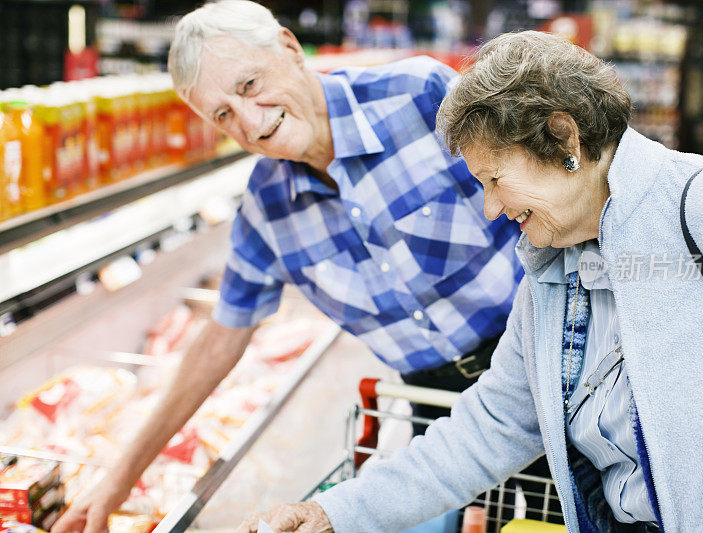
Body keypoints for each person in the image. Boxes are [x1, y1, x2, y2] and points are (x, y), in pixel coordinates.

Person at [250, 30, 703, 533]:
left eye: (494, 179)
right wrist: (333, 513)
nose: (489, 208)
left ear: (564, 139)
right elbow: (491, 425)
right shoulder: (553, 275)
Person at [51, 2, 527, 532]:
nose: (251, 123)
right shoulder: (266, 207)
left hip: (539, 361)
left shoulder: (421, 96)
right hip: (432, 401)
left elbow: (545, 204)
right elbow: (218, 342)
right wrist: (118, 479)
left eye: (250, 84)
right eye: (223, 115)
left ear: (289, 48)